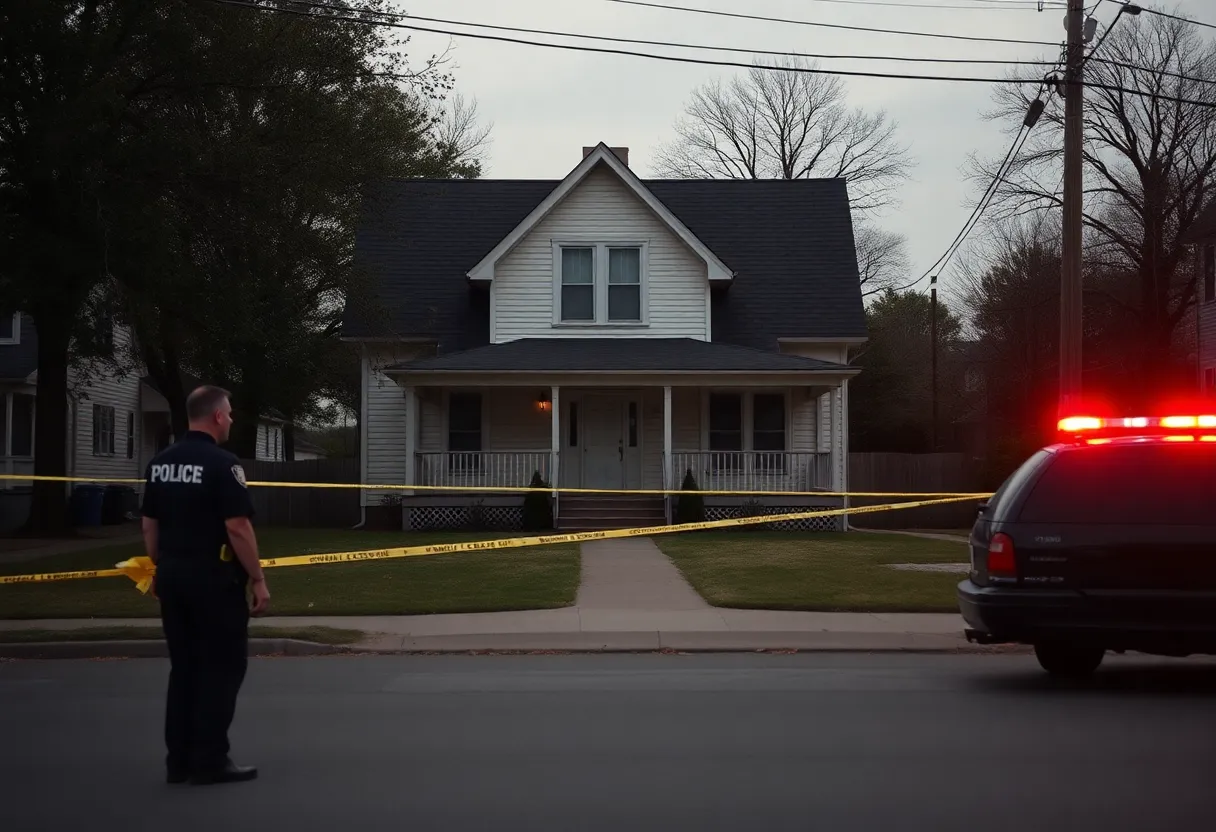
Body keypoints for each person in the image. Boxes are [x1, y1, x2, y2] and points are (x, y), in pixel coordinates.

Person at [140, 385, 271, 786]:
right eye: (228, 413)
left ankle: (178, 760)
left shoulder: (160, 463)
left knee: (185, 669)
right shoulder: (222, 463)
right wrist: (258, 578)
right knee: (221, 668)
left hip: (173, 576)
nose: (230, 419)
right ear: (216, 416)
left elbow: (150, 524)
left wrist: (162, 568)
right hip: (213, 580)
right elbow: (238, 526)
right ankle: (210, 759)